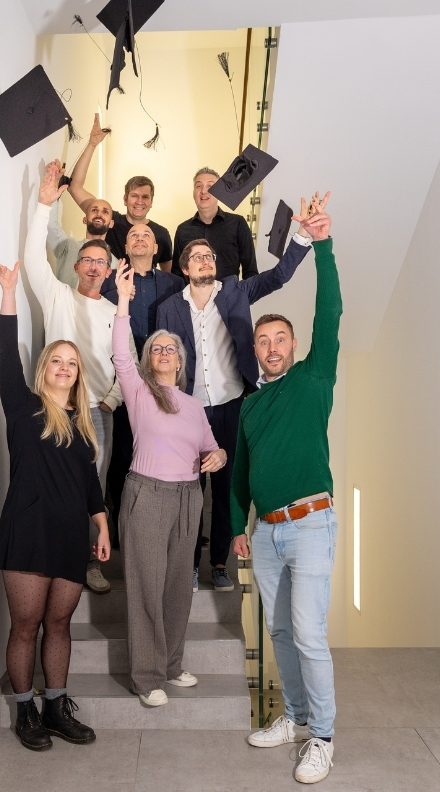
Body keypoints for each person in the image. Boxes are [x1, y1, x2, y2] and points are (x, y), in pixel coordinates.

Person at [230, 194, 340, 784]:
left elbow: (330, 311)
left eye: (280, 338)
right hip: (266, 533)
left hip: (311, 524)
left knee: (307, 633)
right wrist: (237, 529)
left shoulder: (314, 377)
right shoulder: (250, 407)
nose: (271, 347)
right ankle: (295, 719)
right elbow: (240, 476)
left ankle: (322, 736)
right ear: (255, 351)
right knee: (277, 632)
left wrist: (322, 245)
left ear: (293, 345)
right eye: (263, 341)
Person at [0, 253, 110, 751]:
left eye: (71, 363)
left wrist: (102, 527)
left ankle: (56, 707)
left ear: (79, 374)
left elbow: (90, 486)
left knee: (59, 624)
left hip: (69, 535)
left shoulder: (83, 425)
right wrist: (8, 293)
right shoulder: (23, 406)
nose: (64, 367)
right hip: (27, 530)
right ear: (45, 368)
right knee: (26, 626)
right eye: (57, 360)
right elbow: (6, 352)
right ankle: (25, 712)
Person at [157, 206, 313, 592]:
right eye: (197, 257)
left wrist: (304, 236)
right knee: (190, 491)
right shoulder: (168, 309)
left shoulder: (236, 291)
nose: (205, 260)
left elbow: (278, 276)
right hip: (189, 411)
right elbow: (163, 362)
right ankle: (189, 566)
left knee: (227, 488)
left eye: (209, 255)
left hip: (232, 405)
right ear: (185, 268)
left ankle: (219, 563)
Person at [112, 259, 226, 707]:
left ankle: (172, 665)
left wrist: (218, 456)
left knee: (179, 586)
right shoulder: (139, 391)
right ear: (149, 360)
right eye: (156, 348)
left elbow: (211, 447)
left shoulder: (194, 405)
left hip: (188, 497)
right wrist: (124, 301)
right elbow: (120, 354)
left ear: (180, 361)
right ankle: (147, 677)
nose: (163, 352)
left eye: (170, 349)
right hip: (147, 494)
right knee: (146, 586)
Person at [24, 161, 138, 595]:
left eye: (100, 263)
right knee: (49, 484)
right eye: (87, 260)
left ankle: (90, 562)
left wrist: (110, 400)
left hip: (97, 414)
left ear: (109, 272)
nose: (93, 267)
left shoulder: (114, 312)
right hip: (53, 409)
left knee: (92, 490)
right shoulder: (56, 296)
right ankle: (53, 556)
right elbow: (33, 260)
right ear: (75, 266)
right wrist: (43, 206)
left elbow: (127, 362)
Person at [102, 224, 185, 542]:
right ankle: (124, 529)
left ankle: (165, 525)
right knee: (121, 456)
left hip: (162, 381)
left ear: (156, 249)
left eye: (146, 236)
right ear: (125, 247)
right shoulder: (110, 281)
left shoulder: (174, 284)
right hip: (121, 382)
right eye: (133, 235)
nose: (140, 238)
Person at [68, 114, 173, 271]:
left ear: (151, 201)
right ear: (125, 199)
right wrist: (92, 144)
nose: (139, 202)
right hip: (106, 285)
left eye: (145, 197)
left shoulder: (161, 234)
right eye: (134, 196)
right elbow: (75, 187)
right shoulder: (109, 218)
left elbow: (167, 275)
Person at [172, 167, 258, 281]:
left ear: (219, 193)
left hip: (229, 292)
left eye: (210, 186)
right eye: (199, 186)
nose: (203, 191)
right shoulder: (183, 230)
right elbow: (177, 275)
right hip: (192, 292)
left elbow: (251, 271)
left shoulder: (237, 224)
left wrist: (241, 293)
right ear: (193, 194)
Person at [46, 160, 119, 288]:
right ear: (85, 219)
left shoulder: (115, 265)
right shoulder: (67, 246)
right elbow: (50, 224)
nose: (99, 214)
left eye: (105, 212)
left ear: (111, 223)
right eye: (94, 210)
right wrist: (54, 185)